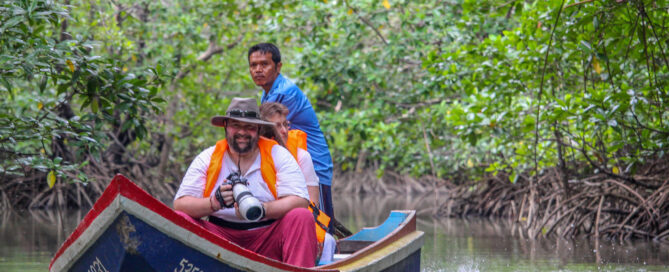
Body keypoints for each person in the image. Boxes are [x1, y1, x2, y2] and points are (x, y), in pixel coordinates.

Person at [173, 97, 317, 267]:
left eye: (249, 127)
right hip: (219, 239)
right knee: (180, 219)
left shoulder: (278, 155)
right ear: (226, 126)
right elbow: (180, 205)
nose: (242, 132)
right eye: (236, 125)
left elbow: (300, 201)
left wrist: (263, 209)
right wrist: (214, 202)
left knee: (302, 216)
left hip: (267, 237)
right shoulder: (208, 158)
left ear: (258, 129)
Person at [248, 43, 336, 229]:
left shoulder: (284, 92)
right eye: (253, 65)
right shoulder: (268, 92)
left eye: (264, 64)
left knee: (320, 224)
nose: (258, 70)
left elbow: (264, 132)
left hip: (312, 164)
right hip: (288, 163)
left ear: (278, 67)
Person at [259, 102, 336, 264]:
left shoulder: (302, 157)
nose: (284, 131)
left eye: (285, 125)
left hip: (296, 221)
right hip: (262, 224)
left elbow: (312, 204)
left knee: (328, 241)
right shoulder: (252, 154)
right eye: (277, 126)